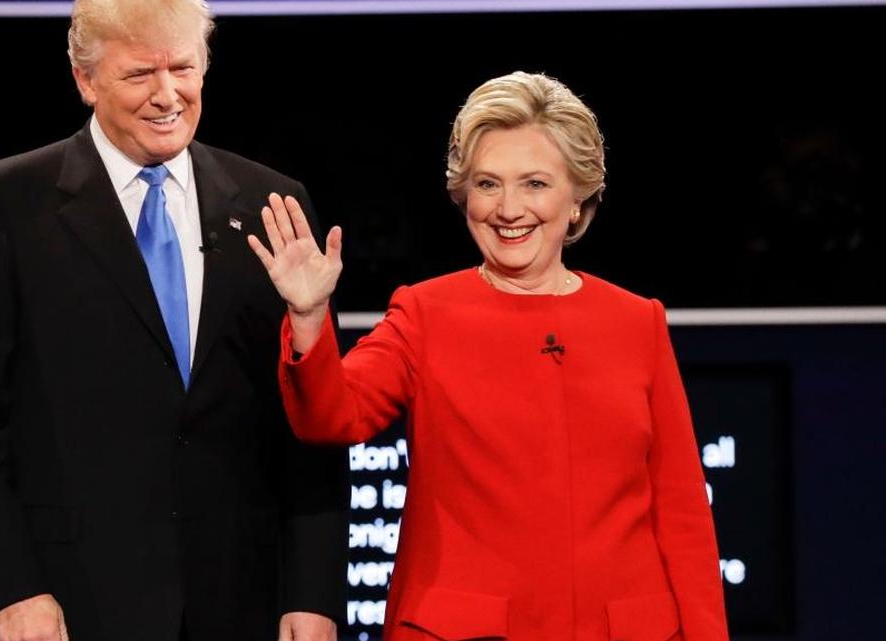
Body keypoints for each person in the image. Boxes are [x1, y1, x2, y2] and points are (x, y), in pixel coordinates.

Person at [248, 71, 729, 641]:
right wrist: (308, 317)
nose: (508, 208)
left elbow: (682, 516)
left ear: (577, 198)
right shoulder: (426, 314)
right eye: (487, 184)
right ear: (464, 195)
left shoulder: (636, 321)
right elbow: (334, 415)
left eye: (534, 184)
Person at [0, 1, 346, 640]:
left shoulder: (271, 204)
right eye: (139, 74)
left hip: (239, 600)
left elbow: (307, 419)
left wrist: (313, 594)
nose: (167, 94)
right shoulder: (5, 203)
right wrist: (13, 590)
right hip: (67, 602)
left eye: (183, 67)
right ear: (84, 79)